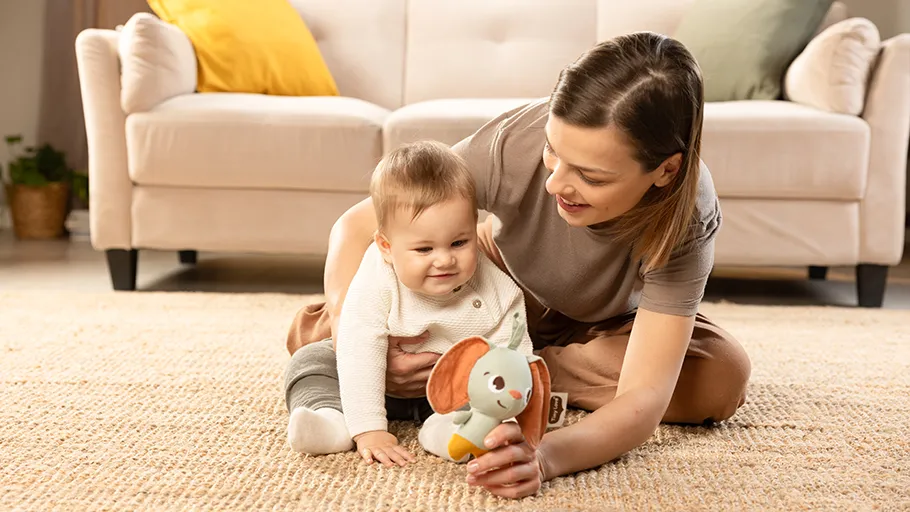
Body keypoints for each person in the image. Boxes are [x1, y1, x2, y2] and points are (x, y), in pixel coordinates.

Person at [285, 31, 751, 499]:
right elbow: (356, 226)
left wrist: (546, 456)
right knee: (331, 331)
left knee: (719, 378)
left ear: (666, 170)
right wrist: (351, 329)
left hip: (605, 328)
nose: (556, 184)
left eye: (590, 176)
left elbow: (644, 396)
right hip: (493, 294)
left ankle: (504, 372)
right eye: (553, 152)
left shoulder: (686, 217)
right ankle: (477, 369)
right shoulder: (514, 141)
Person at [283, 140, 535, 467]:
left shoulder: (495, 287)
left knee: (483, 387)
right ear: (387, 247)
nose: (444, 260)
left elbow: (514, 356)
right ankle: (330, 419)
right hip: (375, 381)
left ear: (474, 227)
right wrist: (369, 429)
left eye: (459, 242)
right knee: (311, 360)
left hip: (451, 392)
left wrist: (513, 416)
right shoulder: (376, 277)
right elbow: (359, 346)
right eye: (424, 249)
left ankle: (451, 432)